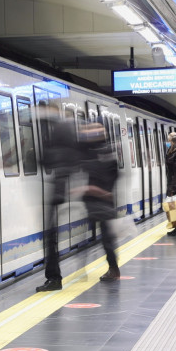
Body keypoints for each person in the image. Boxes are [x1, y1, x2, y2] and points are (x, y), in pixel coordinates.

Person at [35, 107, 83, 292]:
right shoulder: (66, 129)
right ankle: (56, 276)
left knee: (50, 236)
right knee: (51, 236)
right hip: (62, 190)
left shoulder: (59, 130)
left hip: (58, 191)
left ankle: (54, 278)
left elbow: (47, 159)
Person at [77, 123, 121, 281]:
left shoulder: (102, 152)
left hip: (101, 200)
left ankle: (113, 269)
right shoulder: (103, 150)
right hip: (99, 200)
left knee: (106, 237)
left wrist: (93, 189)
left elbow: (103, 173)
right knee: (104, 236)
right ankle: (111, 268)